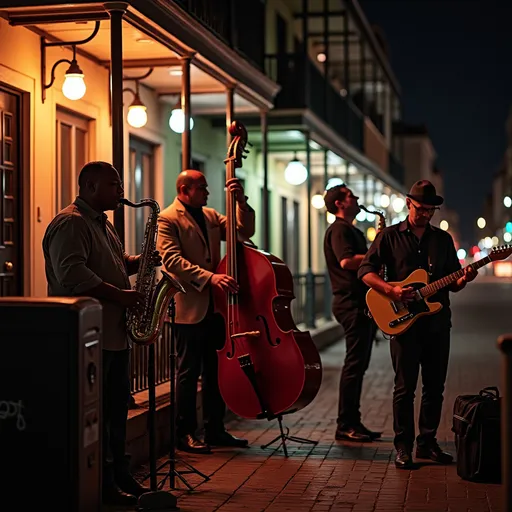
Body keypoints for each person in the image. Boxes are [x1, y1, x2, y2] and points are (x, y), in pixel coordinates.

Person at [42, 161, 154, 506]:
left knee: (117, 408)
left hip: (114, 334)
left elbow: (114, 263)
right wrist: (121, 295)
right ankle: (103, 482)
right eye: (114, 185)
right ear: (90, 186)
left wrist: (144, 260)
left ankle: (120, 473)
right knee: (100, 414)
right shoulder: (71, 223)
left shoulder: (101, 223)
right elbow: (72, 273)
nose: (121, 192)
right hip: (91, 336)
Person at [358, 180, 477, 469]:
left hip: (437, 323)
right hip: (403, 324)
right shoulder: (388, 236)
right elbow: (365, 271)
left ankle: (427, 443)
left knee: (435, 387)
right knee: (404, 389)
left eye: (430, 210)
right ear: (409, 203)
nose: (425, 214)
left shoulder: (442, 240)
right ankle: (403, 447)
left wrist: (463, 279)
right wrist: (391, 291)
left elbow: (453, 284)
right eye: (420, 208)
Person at [157, 169, 254, 454]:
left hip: (215, 308)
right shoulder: (167, 218)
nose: (208, 192)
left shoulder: (211, 215)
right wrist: (210, 277)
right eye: (202, 188)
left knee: (216, 371)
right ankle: (184, 433)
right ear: (185, 189)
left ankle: (215, 429)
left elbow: (243, 232)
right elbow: (171, 260)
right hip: (188, 307)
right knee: (188, 372)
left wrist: (241, 203)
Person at [323, 184, 382, 442]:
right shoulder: (339, 230)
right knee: (354, 365)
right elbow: (347, 262)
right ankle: (345, 424)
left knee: (359, 365)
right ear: (340, 203)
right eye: (351, 196)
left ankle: (352, 421)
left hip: (359, 303)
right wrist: (377, 250)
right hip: (351, 303)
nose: (357, 199)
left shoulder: (351, 230)